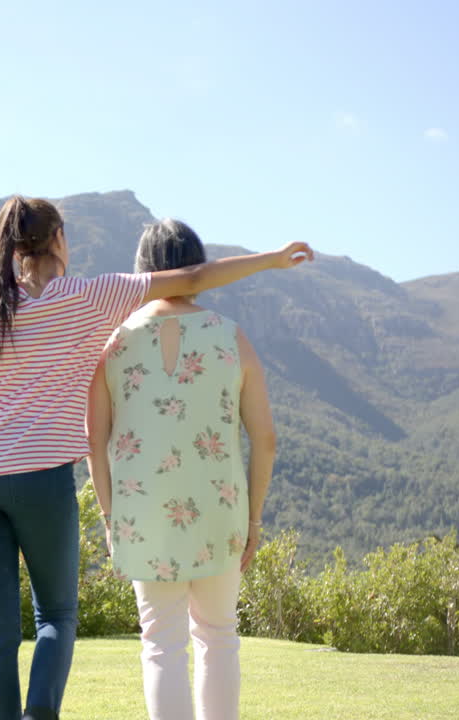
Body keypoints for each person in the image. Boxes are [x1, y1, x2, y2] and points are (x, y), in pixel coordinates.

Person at [0, 197, 308, 720]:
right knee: (71, 616)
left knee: (6, 628)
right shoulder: (95, 299)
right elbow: (194, 277)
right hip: (66, 483)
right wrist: (272, 259)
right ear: (58, 239)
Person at [86, 218, 277, 720]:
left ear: (142, 271)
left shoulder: (114, 344)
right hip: (221, 511)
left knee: (160, 644)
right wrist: (254, 519)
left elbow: (93, 440)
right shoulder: (231, 338)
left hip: (142, 515)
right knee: (218, 637)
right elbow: (266, 440)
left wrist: (110, 518)